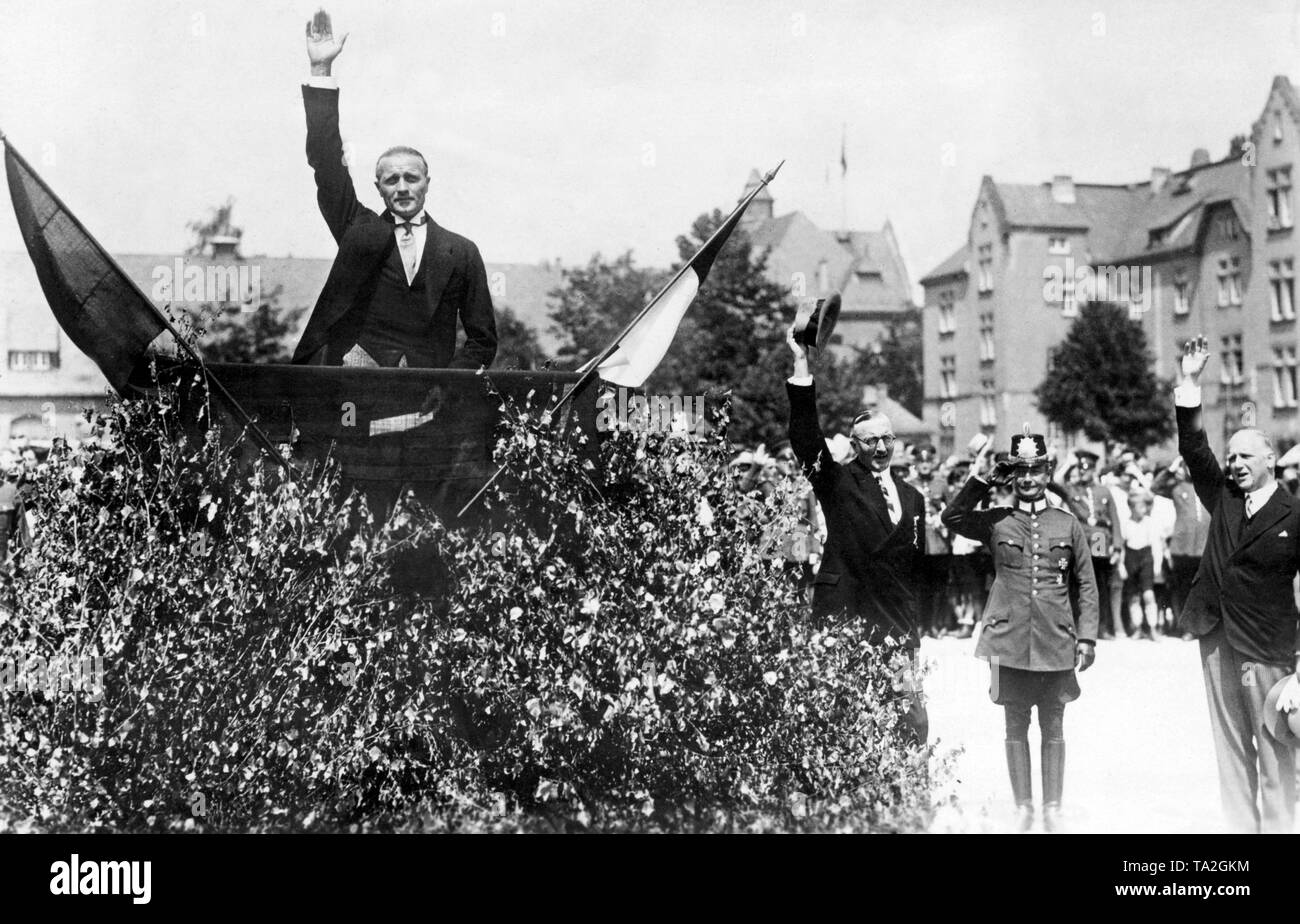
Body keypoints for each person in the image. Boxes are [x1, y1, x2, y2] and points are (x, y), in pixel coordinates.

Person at [292, 10, 497, 370]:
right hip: (354, 388)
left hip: (426, 401)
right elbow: (326, 164)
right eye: (391, 180)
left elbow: (482, 340)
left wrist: (444, 388)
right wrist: (321, 73)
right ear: (379, 188)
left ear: (427, 184)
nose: (402, 188)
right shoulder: (359, 230)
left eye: (411, 178)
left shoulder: (461, 252)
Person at [943, 431, 1098, 833]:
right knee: (1014, 721)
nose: (1027, 479)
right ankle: (1024, 807)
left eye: (1035, 470)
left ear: (1047, 472)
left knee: (1054, 722)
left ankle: (1052, 807)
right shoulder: (997, 519)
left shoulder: (1067, 523)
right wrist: (986, 480)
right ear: (1012, 476)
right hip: (1005, 640)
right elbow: (953, 518)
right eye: (1020, 472)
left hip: (1055, 638)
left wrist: (1087, 636)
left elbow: (1085, 583)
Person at [1175, 335, 1300, 833]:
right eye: (1232, 458)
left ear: (1271, 459)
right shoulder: (1223, 496)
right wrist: (1189, 381)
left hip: (1268, 647)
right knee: (1229, 751)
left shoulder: (1294, 514)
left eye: (1247, 457)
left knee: (1273, 750)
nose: (1236, 465)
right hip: (1217, 637)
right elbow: (1193, 447)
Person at [785, 324, 928, 743]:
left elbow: (913, 576)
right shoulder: (839, 483)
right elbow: (805, 438)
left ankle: (907, 799)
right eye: (870, 442)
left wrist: (914, 633)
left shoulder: (914, 497)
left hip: (897, 626)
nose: (880, 448)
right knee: (842, 716)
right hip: (847, 617)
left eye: (887, 439)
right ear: (854, 445)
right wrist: (801, 364)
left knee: (910, 718)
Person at [1062, 450, 1124, 639]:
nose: (1083, 472)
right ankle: (1076, 627)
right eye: (1080, 469)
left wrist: (1118, 545)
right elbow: (1056, 482)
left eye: (1087, 469)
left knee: (1100, 586)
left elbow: (1114, 518)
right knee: (1076, 585)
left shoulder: (1104, 491)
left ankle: (1103, 627)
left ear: (1094, 470)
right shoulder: (1072, 490)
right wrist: (1067, 463)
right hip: (1080, 539)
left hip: (1100, 540)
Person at [1121, 488, 1167, 639]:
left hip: (1146, 557)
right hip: (1131, 557)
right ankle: (1138, 627)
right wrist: (1121, 565)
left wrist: (1157, 564)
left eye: (1145, 506)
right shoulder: (1126, 523)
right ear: (1132, 508)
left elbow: (1156, 545)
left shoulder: (1149, 522)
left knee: (1148, 594)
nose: (1144, 509)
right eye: (1140, 507)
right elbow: (1122, 546)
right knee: (1133, 595)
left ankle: (1153, 627)